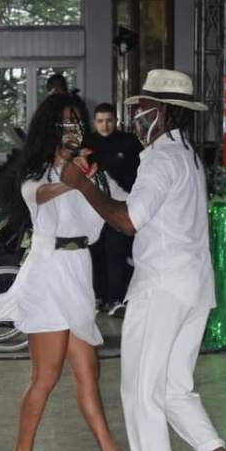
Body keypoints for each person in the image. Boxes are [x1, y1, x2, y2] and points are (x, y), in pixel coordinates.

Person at [60, 70, 226, 451]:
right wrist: (99, 184)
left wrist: (81, 185)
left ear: (161, 111)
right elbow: (139, 204)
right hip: (193, 285)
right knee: (174, 388)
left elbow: (128, 221)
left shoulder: (160, 160)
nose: (135, 116)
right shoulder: (186, 155)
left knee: (140, 388)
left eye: (141, 108)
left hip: (161, 285)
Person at [0, 93, 138, 451]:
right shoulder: (35, 172)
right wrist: (75, 179)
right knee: (46, 376)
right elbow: (41, 193)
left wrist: (99, 180)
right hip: (48, 272)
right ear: (50, 128)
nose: (73, 129)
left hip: (79, 270)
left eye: (77, 122)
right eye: (65, 123)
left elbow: (126, 203)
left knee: (88, 371)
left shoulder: (93, 171)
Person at [85, 102, 141, 311]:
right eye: (100, 121)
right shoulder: (87, 143)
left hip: (121, 206)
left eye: (109, 120)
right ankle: (97, 296)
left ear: (116, 121)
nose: (105, 125)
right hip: (94, 208)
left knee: (116, 252)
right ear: (94, 122)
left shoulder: (129, 142)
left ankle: (115, 298)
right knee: (94, 252)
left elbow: (140, 173)